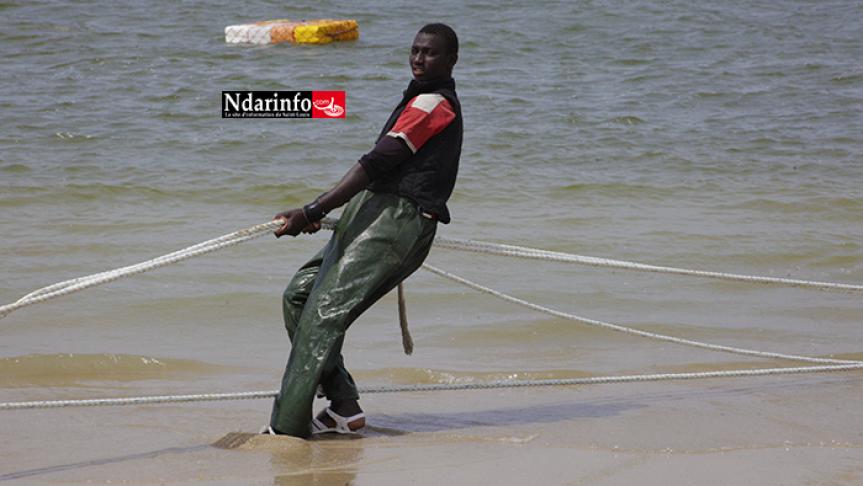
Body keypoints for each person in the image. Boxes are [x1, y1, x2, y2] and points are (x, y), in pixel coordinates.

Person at [266, 23, 462, 438]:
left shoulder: (436, 106)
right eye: (414, 51)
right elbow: (377, 174)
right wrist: (321, 210)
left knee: (322, 317)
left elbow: (375, 163)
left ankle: (286, 431)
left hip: (400, 223)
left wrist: (313, 209)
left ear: (451, 60)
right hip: (371, 212)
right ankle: (344, 407)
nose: (418, 59)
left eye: (429, 53)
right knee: (299, 297)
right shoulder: (418, 99)